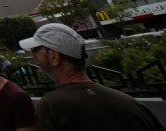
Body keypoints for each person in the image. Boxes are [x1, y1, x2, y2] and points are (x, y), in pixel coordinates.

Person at [20, 23, 165, 131]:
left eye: (36, 50)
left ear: (54, 56)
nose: (33, 55)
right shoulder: (131, 104)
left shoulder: (52, 105)